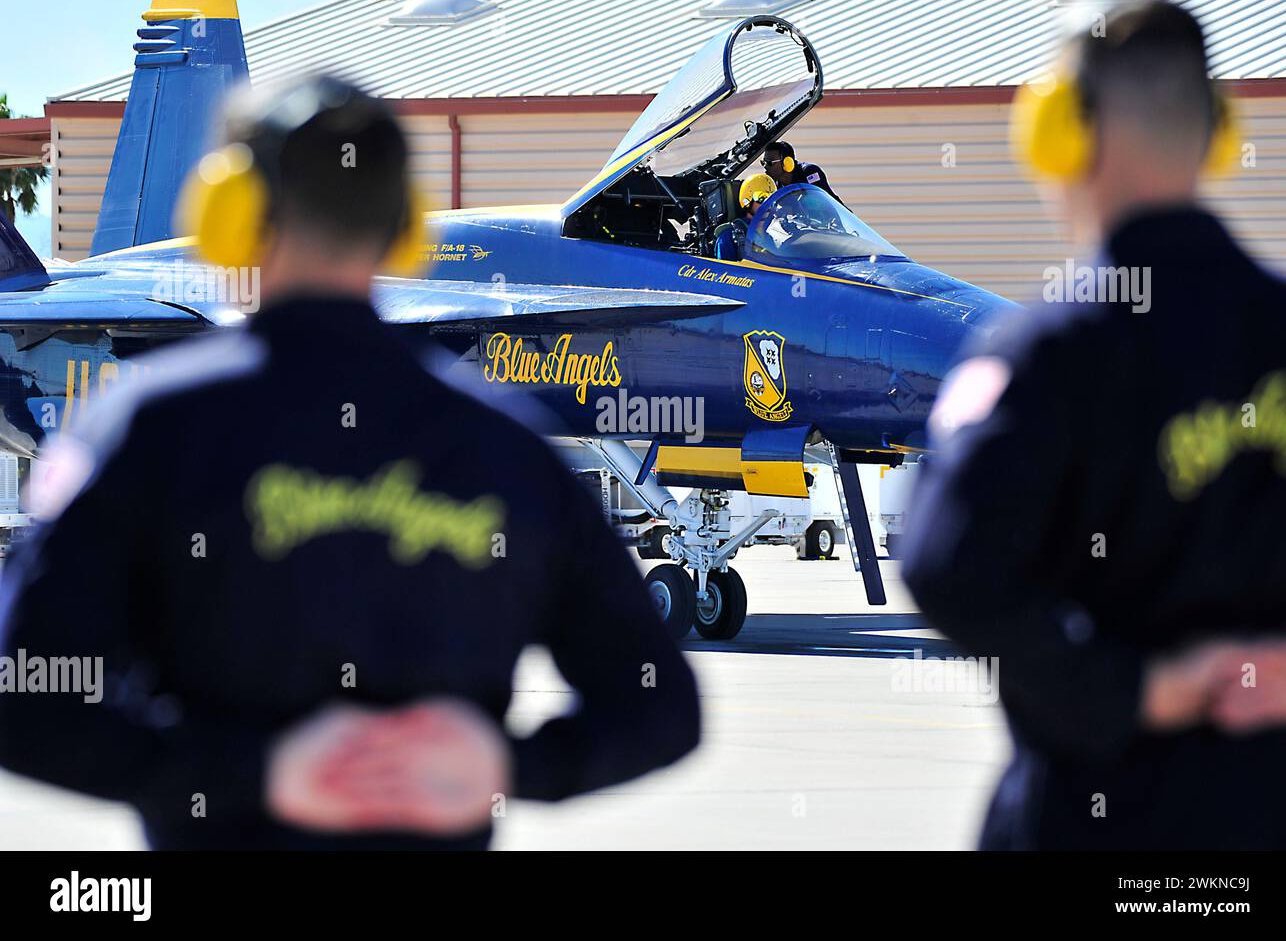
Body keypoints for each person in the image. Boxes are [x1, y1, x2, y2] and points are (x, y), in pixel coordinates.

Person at [0, 76, 700, 850]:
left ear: (229, 215)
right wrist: (509, 765)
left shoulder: (146, 430)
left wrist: (251, 771)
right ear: (404, 228)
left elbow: (24, 697)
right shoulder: (509, 449)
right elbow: (660, 706)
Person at [901, 0, 1286, 849]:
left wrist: (1135, 690)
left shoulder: (1041, 356)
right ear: (1215, 134)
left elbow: (943, 562)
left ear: (1062, 135)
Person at [714, 172, 776, 260]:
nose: (768, 205)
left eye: (772, 199)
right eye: (762, 198)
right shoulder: (728, 237)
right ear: (747, 200)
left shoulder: (778, 231)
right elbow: (724, 271)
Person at [761, 141, 844, 205]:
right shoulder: (774, 185)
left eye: (769, 163)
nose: (765, 166)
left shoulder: (809, 172)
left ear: (787, 163)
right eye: (763, 162)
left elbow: (819, 203)